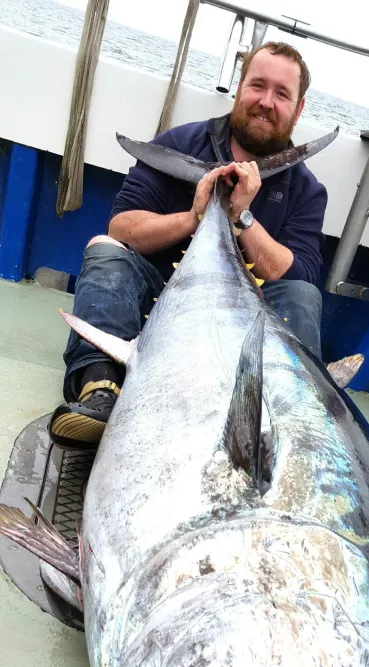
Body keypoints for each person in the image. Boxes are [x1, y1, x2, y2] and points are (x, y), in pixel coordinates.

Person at [49, 41, 328, 448]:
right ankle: (101, 390)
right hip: (158, 304)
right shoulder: (178, 146)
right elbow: (122, 224)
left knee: (302, 298)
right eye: (257, 86)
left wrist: (241, 216)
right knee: (106, 248)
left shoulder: (306, 189)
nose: (266, 102)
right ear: (239, 88)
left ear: (298, 109)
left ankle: (288, 432)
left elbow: (300, 275)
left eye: (282, 94)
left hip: (245, 328)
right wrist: (195, 217)